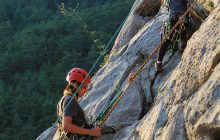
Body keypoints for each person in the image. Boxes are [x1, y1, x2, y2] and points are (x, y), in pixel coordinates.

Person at [57, 67, 101, 140]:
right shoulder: (70, 100)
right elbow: (66, 126)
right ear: (76, 85)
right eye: (84, 87)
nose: (86, 90)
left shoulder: (63, 99)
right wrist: (90, 132)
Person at [155, 0, 191, 72]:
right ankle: (183, 41)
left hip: (172, 19)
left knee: (167, 39)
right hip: (183, 19)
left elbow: (166, 4)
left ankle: (159, 62)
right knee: (188, 24)